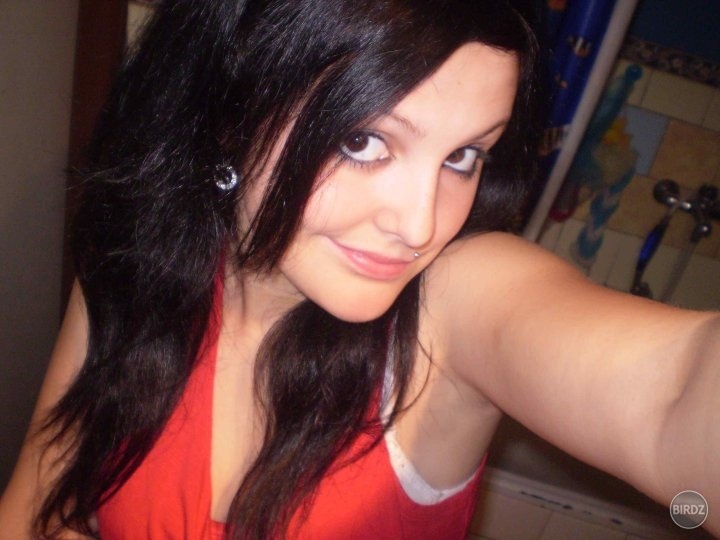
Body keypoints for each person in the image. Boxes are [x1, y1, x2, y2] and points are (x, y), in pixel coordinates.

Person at [1, 0, 718, 538]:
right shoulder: (135, 261)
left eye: (463, 156)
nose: (421, 226)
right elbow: (41, 501)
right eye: (362, 141)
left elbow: (673, 398)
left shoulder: (450, 308)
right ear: (228, 113)